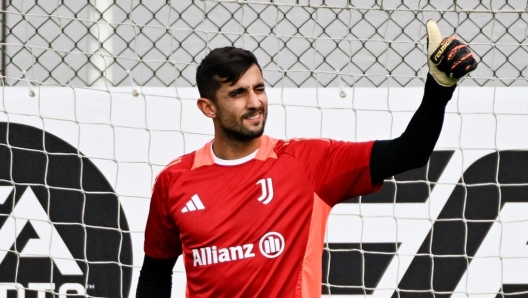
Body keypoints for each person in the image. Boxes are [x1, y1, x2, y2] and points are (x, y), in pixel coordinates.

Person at [136, 20, 477, 297]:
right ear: (207, 107)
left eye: (259, 88)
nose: (255, 102)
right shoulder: (175, 180)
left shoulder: (306, 162)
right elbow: (155, 271)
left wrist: (439, 87)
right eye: (238, 94)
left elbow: (410, 152)